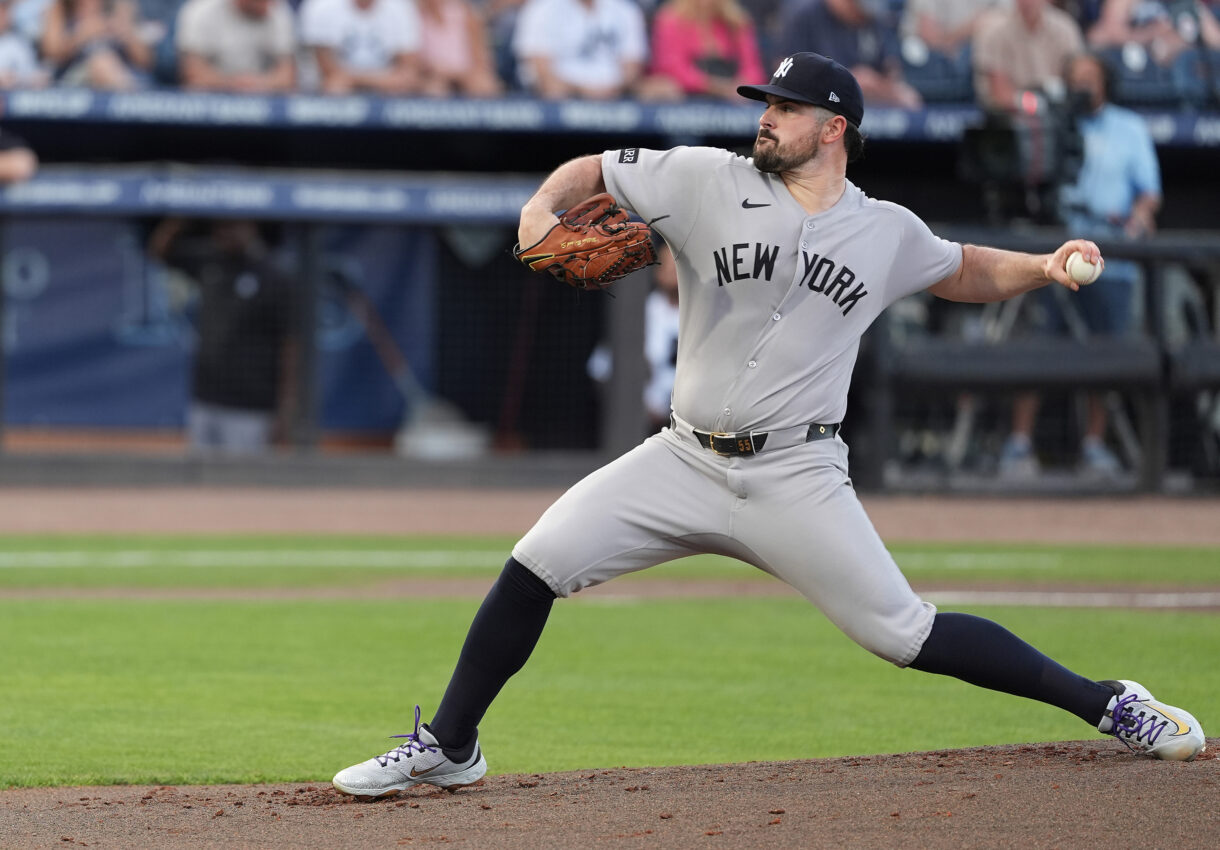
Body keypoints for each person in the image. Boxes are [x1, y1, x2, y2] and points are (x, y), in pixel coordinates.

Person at [330, 51, 1206, 799]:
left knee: (905, 633)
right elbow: (593, 168)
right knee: (534, 566)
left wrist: (1044, 266)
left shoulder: (885, 230)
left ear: (834, 128)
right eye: (766, 104)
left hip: (796, 476)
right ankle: (451, 746)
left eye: (786, 107)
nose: (767, 117)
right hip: (682, 458)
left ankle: (1109, 701)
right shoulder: (704, 179)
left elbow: (962, 268)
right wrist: (538, 209)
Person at [999, 50, 1162, 478]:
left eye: (1091, 76)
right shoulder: (1052, 123)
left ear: (1106, 82)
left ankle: (1094, 445)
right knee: (1038, 347)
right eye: (1076, 77)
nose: (1083, 84)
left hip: (1111, 258)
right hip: (1053, 252)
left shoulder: (1129, 127)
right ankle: (1019, 445)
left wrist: (1139, 218)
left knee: (1104, 355)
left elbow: (1148, 194)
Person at [148, 218, 300, 456]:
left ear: (251, 226)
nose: (222, 232)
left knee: (243, 478)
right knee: (199, 476)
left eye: (230, 225)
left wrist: (286, 406)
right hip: (206, 400)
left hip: (251, 406)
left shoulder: (275, 276)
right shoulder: (210, 260)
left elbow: (291, 346)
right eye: (218, 226)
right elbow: (159, 252)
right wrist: (184, 215)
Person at [778, 0, 923, 108]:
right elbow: (784, 72)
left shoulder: (872, 20)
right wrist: (845, 81)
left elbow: (891, 71)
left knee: (910, 100)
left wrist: (884, 87)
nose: (861, 13)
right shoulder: (806, 14)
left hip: (867, 103)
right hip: (818, 102)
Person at [511, 0, 656, 99]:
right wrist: (583, 91)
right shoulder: (541, 8)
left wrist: (611, 90)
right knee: (554, 92)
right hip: (562, 98)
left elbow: (632, 69)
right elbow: (543, 73)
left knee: (656, 91)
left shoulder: (625, 9)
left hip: (616, 97)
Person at [973, 0, 1084, 109]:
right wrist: (1035, 104)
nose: (1028, 2)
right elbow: (1000, 94)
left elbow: (1077, 76)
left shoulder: (1066, 28)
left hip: (1060, 105)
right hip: (1012, 112)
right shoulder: (994, 33)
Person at [648, 0, 766, 101]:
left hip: (732, 100)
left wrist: (741, 86)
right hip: (688, 99)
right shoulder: (670, 20)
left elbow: (753, 69)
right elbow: (671, 67)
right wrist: (711, 85)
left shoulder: (736, 23)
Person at [298, 0, 423, 95]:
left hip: (384, 85)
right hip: (337, 87)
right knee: (335, 87)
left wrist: (359, 80)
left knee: (403, 87)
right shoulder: (321, 6)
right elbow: (327, 71)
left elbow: (409, 71)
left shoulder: (401, 7)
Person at [175, 0, 296, 92]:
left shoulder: (277, 9)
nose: (271, 3)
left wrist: (257, 84)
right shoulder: (200, 10)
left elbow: (287, 77)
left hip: (263, 98)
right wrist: (232, 84)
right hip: (210, 99)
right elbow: (192, 74)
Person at [39, 0, 153, 89]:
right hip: (72, 77)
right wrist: (82, 35)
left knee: (104, 61)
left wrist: (126, 34)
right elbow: (51, 53)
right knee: (100, 62)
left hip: (124, 72)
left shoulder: (120, 7)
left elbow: (146, 61)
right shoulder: (60, 8)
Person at [1088, 0, 1220, 67]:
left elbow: (1216, 39)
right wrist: (1151, 33)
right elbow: (1108, 32)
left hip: (1170, 72)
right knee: (1097, 37)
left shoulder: (1187, 3)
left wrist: (1182, 42)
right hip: (1130, 63)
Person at [415, 0, 503, 97]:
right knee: (434, 89)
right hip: (434, 75)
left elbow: (480, 59)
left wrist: (459, 74)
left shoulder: (466, 15)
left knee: (483, 85)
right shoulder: (416, 17)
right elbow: (415, 61)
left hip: (467, 73)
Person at [643, 241, 680, 430]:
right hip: (643, 422)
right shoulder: (640, 313)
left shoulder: (705, 314)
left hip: (689, 423)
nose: (673, 271)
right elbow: (602, 369)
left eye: (678, 266)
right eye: (668, 265)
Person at [0, 0, 47, 87]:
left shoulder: (18, 43)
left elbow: (36, 77)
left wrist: (17, 79)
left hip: (14, 92)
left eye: (3, 13)